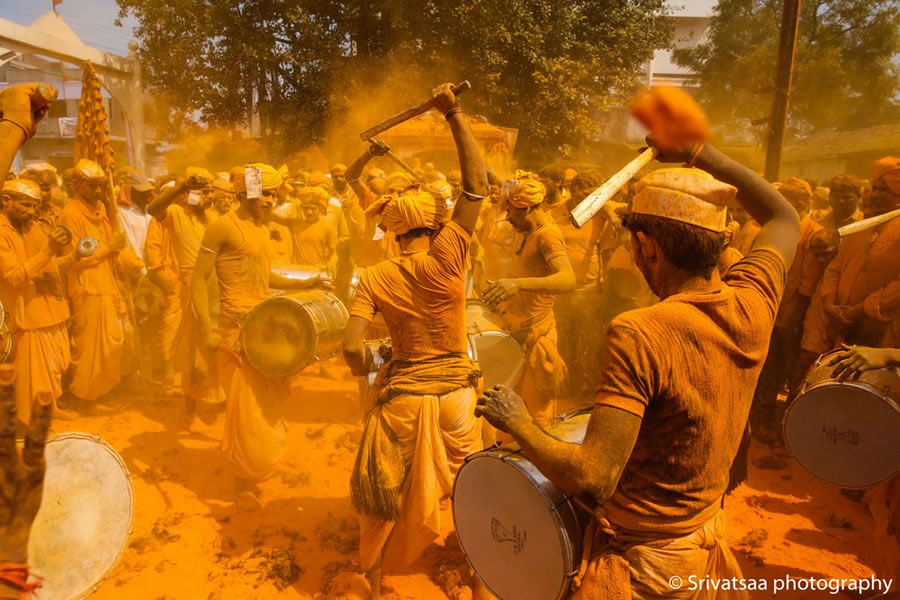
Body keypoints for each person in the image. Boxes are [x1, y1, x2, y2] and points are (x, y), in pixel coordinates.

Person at [476, 138, 801, 599]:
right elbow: (784, 217)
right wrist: (700, 152)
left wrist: (520, 424)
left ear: (647, 247)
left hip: (647, 567)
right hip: (701, 541)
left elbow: (593, 480)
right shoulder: (753, 301)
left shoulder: (641, 331)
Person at [341, 83, 489, 597]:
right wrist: (454, 115)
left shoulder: (373, 275)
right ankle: (473, 568)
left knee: (379, 488)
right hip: (457, 400)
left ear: (392, 231)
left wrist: (369, 363)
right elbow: (476, 186)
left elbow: (351, 345)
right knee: (471, 487)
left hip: (404, 400)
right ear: (431, 223)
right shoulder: (450, 257)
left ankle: (377, 579)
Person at [192, 162, 326, 509]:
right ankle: (242, 483)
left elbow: (266, 278)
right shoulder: (222, 227)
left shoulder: (264, 229)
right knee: (244, 409)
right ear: (245, 192)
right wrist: (206, 327)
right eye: (264, 193)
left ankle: (257, 466)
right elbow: (198, 280)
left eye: (273, 193)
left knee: (268, 404)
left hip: (264, 327)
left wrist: (308, 281)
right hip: (235, 332)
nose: (269, 200)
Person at [481, 171, 576, 426]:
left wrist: (516, 285)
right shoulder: (530, 233)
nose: (508, 217)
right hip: (519, 334)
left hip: (538, 336)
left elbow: (568, 279)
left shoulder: (547, 235)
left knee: (536, 416)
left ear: (529, 208)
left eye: (512, 211)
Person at [797, 157, 900, 369]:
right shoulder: (863, 226)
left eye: (883, 190)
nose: (875, 195)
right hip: (837, 321)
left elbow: (897, 288)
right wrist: (829, 303)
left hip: (876, 329)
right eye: (874, 188)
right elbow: (835, 267)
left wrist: (859, 310)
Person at [60, 159, 142, 408]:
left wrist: (128, 260)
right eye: (93, 187)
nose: (98, 192)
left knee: (114, 339)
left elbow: (113, 248)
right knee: (90, 345)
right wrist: (109, 248)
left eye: (100, 186)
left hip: (109, 284)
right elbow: (74, 258)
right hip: (88, 287)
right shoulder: (70, 214)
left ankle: (106, 390)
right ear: (77, 185)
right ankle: (85, 396)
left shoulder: (103, 210)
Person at [750, 177, 826, 442]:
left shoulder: (814, 233)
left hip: (792, 319)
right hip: (772, 312)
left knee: (785, 372)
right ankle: (760, 424)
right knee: (768, 369)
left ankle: (784, 429)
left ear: (801, 204)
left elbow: (808, 284)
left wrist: (792, 318)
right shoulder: (778, 227)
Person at [0, 179, 74, 427]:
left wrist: (74, 254)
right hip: (24, 313)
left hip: (49, 308)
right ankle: (31, 420)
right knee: (33, 374)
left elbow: (50, 265)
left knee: (51, 369)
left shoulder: (34, 227)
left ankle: (50, 407)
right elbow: (14, 277)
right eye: (25, 205)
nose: (32, 212)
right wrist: (49, 249)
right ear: (6, 201)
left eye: (35, 206)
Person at [148, 168, 219, 417]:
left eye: (211, 191)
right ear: (190, 194)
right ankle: (190, 403)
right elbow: (153, 210)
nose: (209, 196)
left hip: (216, 287)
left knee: (215, 347)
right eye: (203, 192)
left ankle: (214, 398)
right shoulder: (176, 213)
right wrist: (180, 187)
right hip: (190, 288)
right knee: (191, 349)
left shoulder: (213, 217)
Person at [290, 186, 337, 271]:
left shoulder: (327, 227)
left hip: (317, 271)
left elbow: (334, 254)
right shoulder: (294, 224)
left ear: (320, 209)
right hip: (296, 272)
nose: (309, 212)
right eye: (306, 208)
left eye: (313, 208)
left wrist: (331, 262)